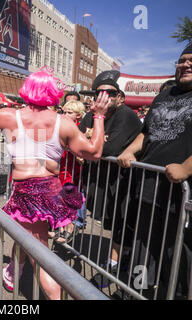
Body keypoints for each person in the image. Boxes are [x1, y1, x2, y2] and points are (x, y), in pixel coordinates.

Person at [0, 60, 111, 300]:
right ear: (54, 93)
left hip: (30, 194)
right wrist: (98, 117)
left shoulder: (9, 116)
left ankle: (55, 294)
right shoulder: (64, 122)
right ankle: (13, 270)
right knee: (31, 241)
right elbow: (94, 151)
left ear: (27, 89)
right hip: (50, 191)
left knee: (42, 258)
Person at [116, 43, 192, 299]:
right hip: (149, 185)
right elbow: (146, 133)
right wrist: (131, 150)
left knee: (178, 251)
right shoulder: (164, 95)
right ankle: (137, 292)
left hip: (181, 194)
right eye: (182, 60)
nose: (186, 64)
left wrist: (185, 168)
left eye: (191, 60)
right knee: (143, 244)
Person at [78, 71, 142, 289]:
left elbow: (110, 148)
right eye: (100, 93)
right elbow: (77, 141)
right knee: (109, 222)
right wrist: (92, 142)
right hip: (99, 178)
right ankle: (122, 254)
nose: (105, 96)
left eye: (111, 93)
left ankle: (114, 263)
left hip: (123, 180)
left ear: (120, 97)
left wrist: (90, 140)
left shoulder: (126, 115)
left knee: (121, 223)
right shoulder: (91, 114)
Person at [52, 100, 87, 243]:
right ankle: (61, 228)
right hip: (62, 168)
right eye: (64, 112)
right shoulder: (61, 127)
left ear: (78, 115)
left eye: (69, 112)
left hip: (73, 170)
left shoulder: (80, 129)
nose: (65, 115)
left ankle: (70, 227)